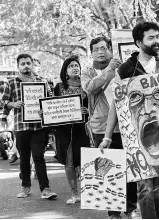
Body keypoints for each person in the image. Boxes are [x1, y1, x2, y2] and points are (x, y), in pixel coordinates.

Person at [100, 21, 159, 219]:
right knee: (145, 188)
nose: (156, 41)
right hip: (135, 136)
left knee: (158, 189)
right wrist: (107, 137)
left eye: (157, 37)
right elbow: (116, 106)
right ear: (138, 43)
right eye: (150, 38)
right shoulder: (125, 70)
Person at [81, 37, 139, 219]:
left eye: (105, 48)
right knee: (107, 170)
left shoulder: (122, 68)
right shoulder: (88, 72)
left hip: (125, 124)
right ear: (91, 53)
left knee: (130, 169)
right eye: (97, 49)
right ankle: (113, 212)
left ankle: (130, 207)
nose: (101, 51)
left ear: (111, 50)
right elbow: (90, 88)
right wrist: (109, 70)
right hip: (101, 127)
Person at [0, 53, 57, 199]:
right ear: (18, 66)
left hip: (39, 127)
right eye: (23, 63)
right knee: (24, 158)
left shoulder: (42, 81)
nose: (26, 66)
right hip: (21, 127)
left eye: (28, 63)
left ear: (32, 64)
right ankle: (25, 186)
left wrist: (45, 108)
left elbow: (51, 101)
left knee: (38, 156)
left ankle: (46, 189)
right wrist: (14, 104)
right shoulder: (11, 83)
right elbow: (3, 103)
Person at [52, 57, 90, 204]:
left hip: (83, 129)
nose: (75, 68)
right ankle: (75, 194)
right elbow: (53, 107)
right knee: (69, 162)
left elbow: (94, 106)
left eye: (77, 65)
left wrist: (87, 110)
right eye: (71, 66)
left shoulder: (87, 85)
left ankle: (89, 192)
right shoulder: (59, 87)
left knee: (85, 161)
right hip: (64, 131)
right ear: (65, 71)